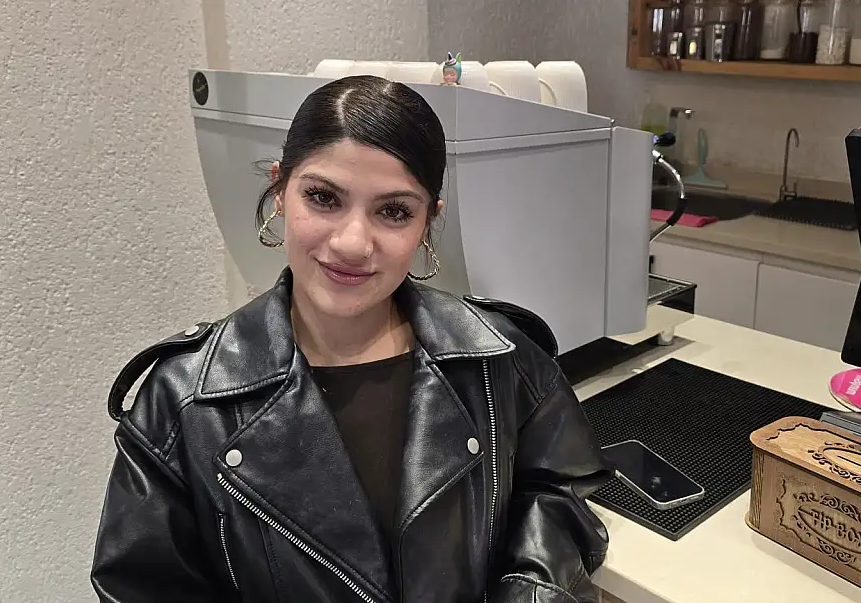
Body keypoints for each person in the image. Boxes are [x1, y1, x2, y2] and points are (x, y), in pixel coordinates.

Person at [91, 75, 611, 603]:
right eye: (323, 198)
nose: (352, 243)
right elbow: (141, 586)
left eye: (394, 211)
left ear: (428, 222)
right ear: (280, 190)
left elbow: (558, 491)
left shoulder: (499, 356)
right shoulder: (184, 401)